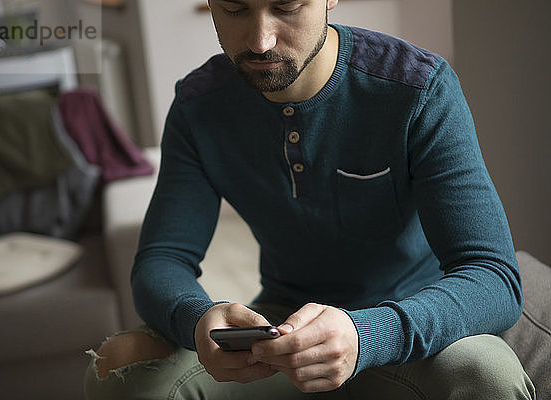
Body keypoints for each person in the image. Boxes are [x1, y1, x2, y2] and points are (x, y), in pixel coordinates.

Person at [84, 0, 536, 398]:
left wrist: (366, 335)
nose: (260, 41)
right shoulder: (198, 107)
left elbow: (493, 276)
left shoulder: (418, 88)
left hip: (413, 320)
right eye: (235, 9)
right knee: (121, 365)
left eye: (286, 6)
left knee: (487, 374)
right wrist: (197, 319)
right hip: (281, 329)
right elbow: (161, 260)